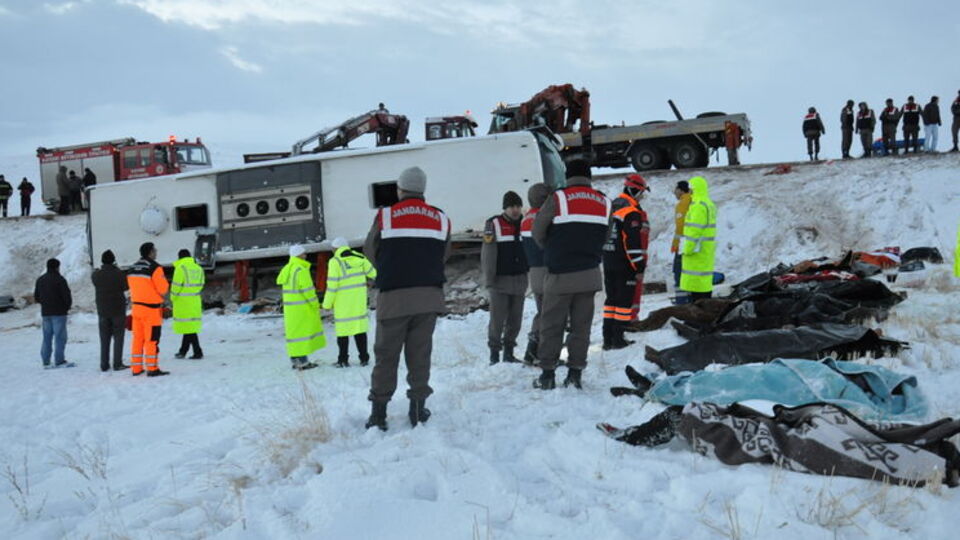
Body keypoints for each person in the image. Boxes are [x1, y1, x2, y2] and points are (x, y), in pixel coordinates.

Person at [364, 166, 451, 430]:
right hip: (428, 298)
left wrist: (390, 269)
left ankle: (379, 415)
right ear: (422, 190)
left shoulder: (386, 216)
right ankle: (417, 410)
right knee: (420, 354)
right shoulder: (441, 218)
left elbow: (370, 250)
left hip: (394, 298)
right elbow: (443, 254)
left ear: (401, 189)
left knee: (386, 356)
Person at [531, 159, 610, 390]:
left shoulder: (558, 198)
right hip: (590, 275)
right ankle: (575, 374)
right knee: (581, 327)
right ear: (589, 177)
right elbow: (606, 236)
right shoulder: (604, 201)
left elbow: (538, 231)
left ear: (568, 176)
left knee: (552, 325)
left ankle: (547, 375)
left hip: (560, 275)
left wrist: (553, 249)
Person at [602, 174, 650, 350]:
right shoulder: (631, 212)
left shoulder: (612, 207)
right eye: (641, 193)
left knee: (611, 301)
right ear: (634, 190)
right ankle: (618, 339)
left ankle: (607, 338)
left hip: (608, 260)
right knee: (623, 303)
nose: (641, 197)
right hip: (624, 264)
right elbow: (631, 243)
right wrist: (639, 265)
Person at [482, 190, 528, 365]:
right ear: (504, 208)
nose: (515, 210)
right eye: (511, 207)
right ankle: (494, 354)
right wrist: (489, 278)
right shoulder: (494, 223)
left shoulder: (524, 223)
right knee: (497, 319)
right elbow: (488, 253)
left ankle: (509, 352)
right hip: (500, 280)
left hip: (519, 278)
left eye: (517, 206)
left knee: (515, 319)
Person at [322, 237, 377, 368]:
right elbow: (374, 273)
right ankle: (364, 358)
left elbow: (332, 285)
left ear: (336, 249)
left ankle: (343, 360)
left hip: (343, 304)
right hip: (358, 302)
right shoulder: (360, 258)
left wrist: (327, 304)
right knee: (359, 330)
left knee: (342, 333)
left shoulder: (335, 262)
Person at [277, 244, 325, 371]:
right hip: (302, 308)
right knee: (303, 335)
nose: (305, 255)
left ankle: (295, 360)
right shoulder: (301, 270)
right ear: (299, 255)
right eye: (304, 254)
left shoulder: (287, 269)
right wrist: (315, 304)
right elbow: (308, 290)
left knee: (294, 335)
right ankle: (303, 362)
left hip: (290, 309)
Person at [127, 242, 170, 376]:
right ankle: (152, 368)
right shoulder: (155, 268)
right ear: (151, 252)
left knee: (137, 339)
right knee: (152, 339)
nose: (156, 252)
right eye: (155, 250)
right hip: (151, 310)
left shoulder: (132, 268)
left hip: (136, 308)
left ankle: (136, 368)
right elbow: (163, 289)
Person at [520, 183, 550, 365]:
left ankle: (532, 351)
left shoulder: (526, 218)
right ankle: (537, 352)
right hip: (547, 270)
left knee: (542, 312)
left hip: (534, 271)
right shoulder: (543, 218)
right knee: (548, 314)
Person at [679, 176, 717, 302]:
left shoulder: (697, 206)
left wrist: (686, 249)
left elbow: (694, 231)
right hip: (705, 252)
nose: (688, 193)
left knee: (697, 295)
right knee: (704, 288)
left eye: (690, 190)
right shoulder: (708, 204)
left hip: (696, 255)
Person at [91, 249, 128, 372]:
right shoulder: (119, 273)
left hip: (102, 310)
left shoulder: (96, 275)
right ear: (113, 260)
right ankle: (117, 363)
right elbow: (125, 287)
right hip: (118, 309)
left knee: (104, 338)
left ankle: (104, 364)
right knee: (118, 337)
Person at [34, 258, 74, 369]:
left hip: (46, 313)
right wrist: (67, 307)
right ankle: (59, 360)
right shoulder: (60, 279)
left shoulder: (40, 280)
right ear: (57, 267)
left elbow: (36, 297)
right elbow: (66, 296)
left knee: (46, 337)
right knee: (60, 337)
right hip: (59, 312)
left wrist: (45, 304)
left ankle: (46, 360)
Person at [171, 248, 205, 360]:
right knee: (189, 327)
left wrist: (173, 297)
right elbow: (202, 284)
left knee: (189, 328)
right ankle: (183, 351)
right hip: (195, 301)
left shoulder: (180, 268)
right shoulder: (198, 268)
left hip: (183, 302)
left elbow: (176, 285)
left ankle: (197, 351)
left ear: (179, 257)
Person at [670, 180, 692, 302]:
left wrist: (675, 245)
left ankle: (682, 302)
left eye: (676, 189)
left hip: (683, 246)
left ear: (681, 190)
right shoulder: (693, 201)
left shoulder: (683, 204)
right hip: (692, 244)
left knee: (679, 274)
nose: (674, 192)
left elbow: (680, 226)